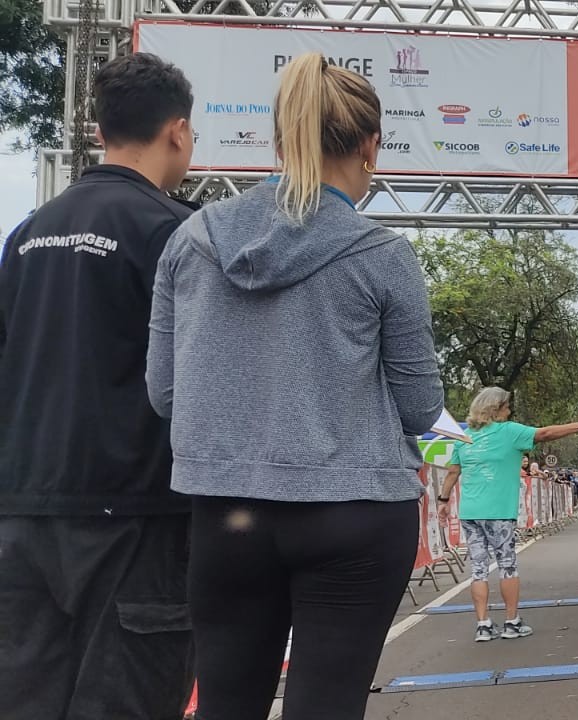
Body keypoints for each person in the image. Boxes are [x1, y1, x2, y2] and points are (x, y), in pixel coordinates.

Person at [147, 52, 445, 719]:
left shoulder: (191, 240)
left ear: (278, 143)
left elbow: (165, 395)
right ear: (371, 147)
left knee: (225, 703)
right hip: (357, 511)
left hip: (229, 516)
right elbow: (422, 406)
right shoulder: (383, 255)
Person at [0, 52, 197, 719]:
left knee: (25, 699)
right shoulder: (172, 233)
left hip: (24, 511)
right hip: (134, 519)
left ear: (100, 132)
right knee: (128, 701)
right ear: (177, 131)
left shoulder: (28, 234)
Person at [436, 387, 578, 642]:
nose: (509, 411)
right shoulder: (509, 431)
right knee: (507, 565)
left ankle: (483, 625)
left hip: (470, 513)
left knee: (478, 569)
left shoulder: (464, 437)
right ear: (496, 409)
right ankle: (511, 622)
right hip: (499, 511)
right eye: (506, 407)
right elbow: (545, 433)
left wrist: (443, 501)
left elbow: (453, 472)